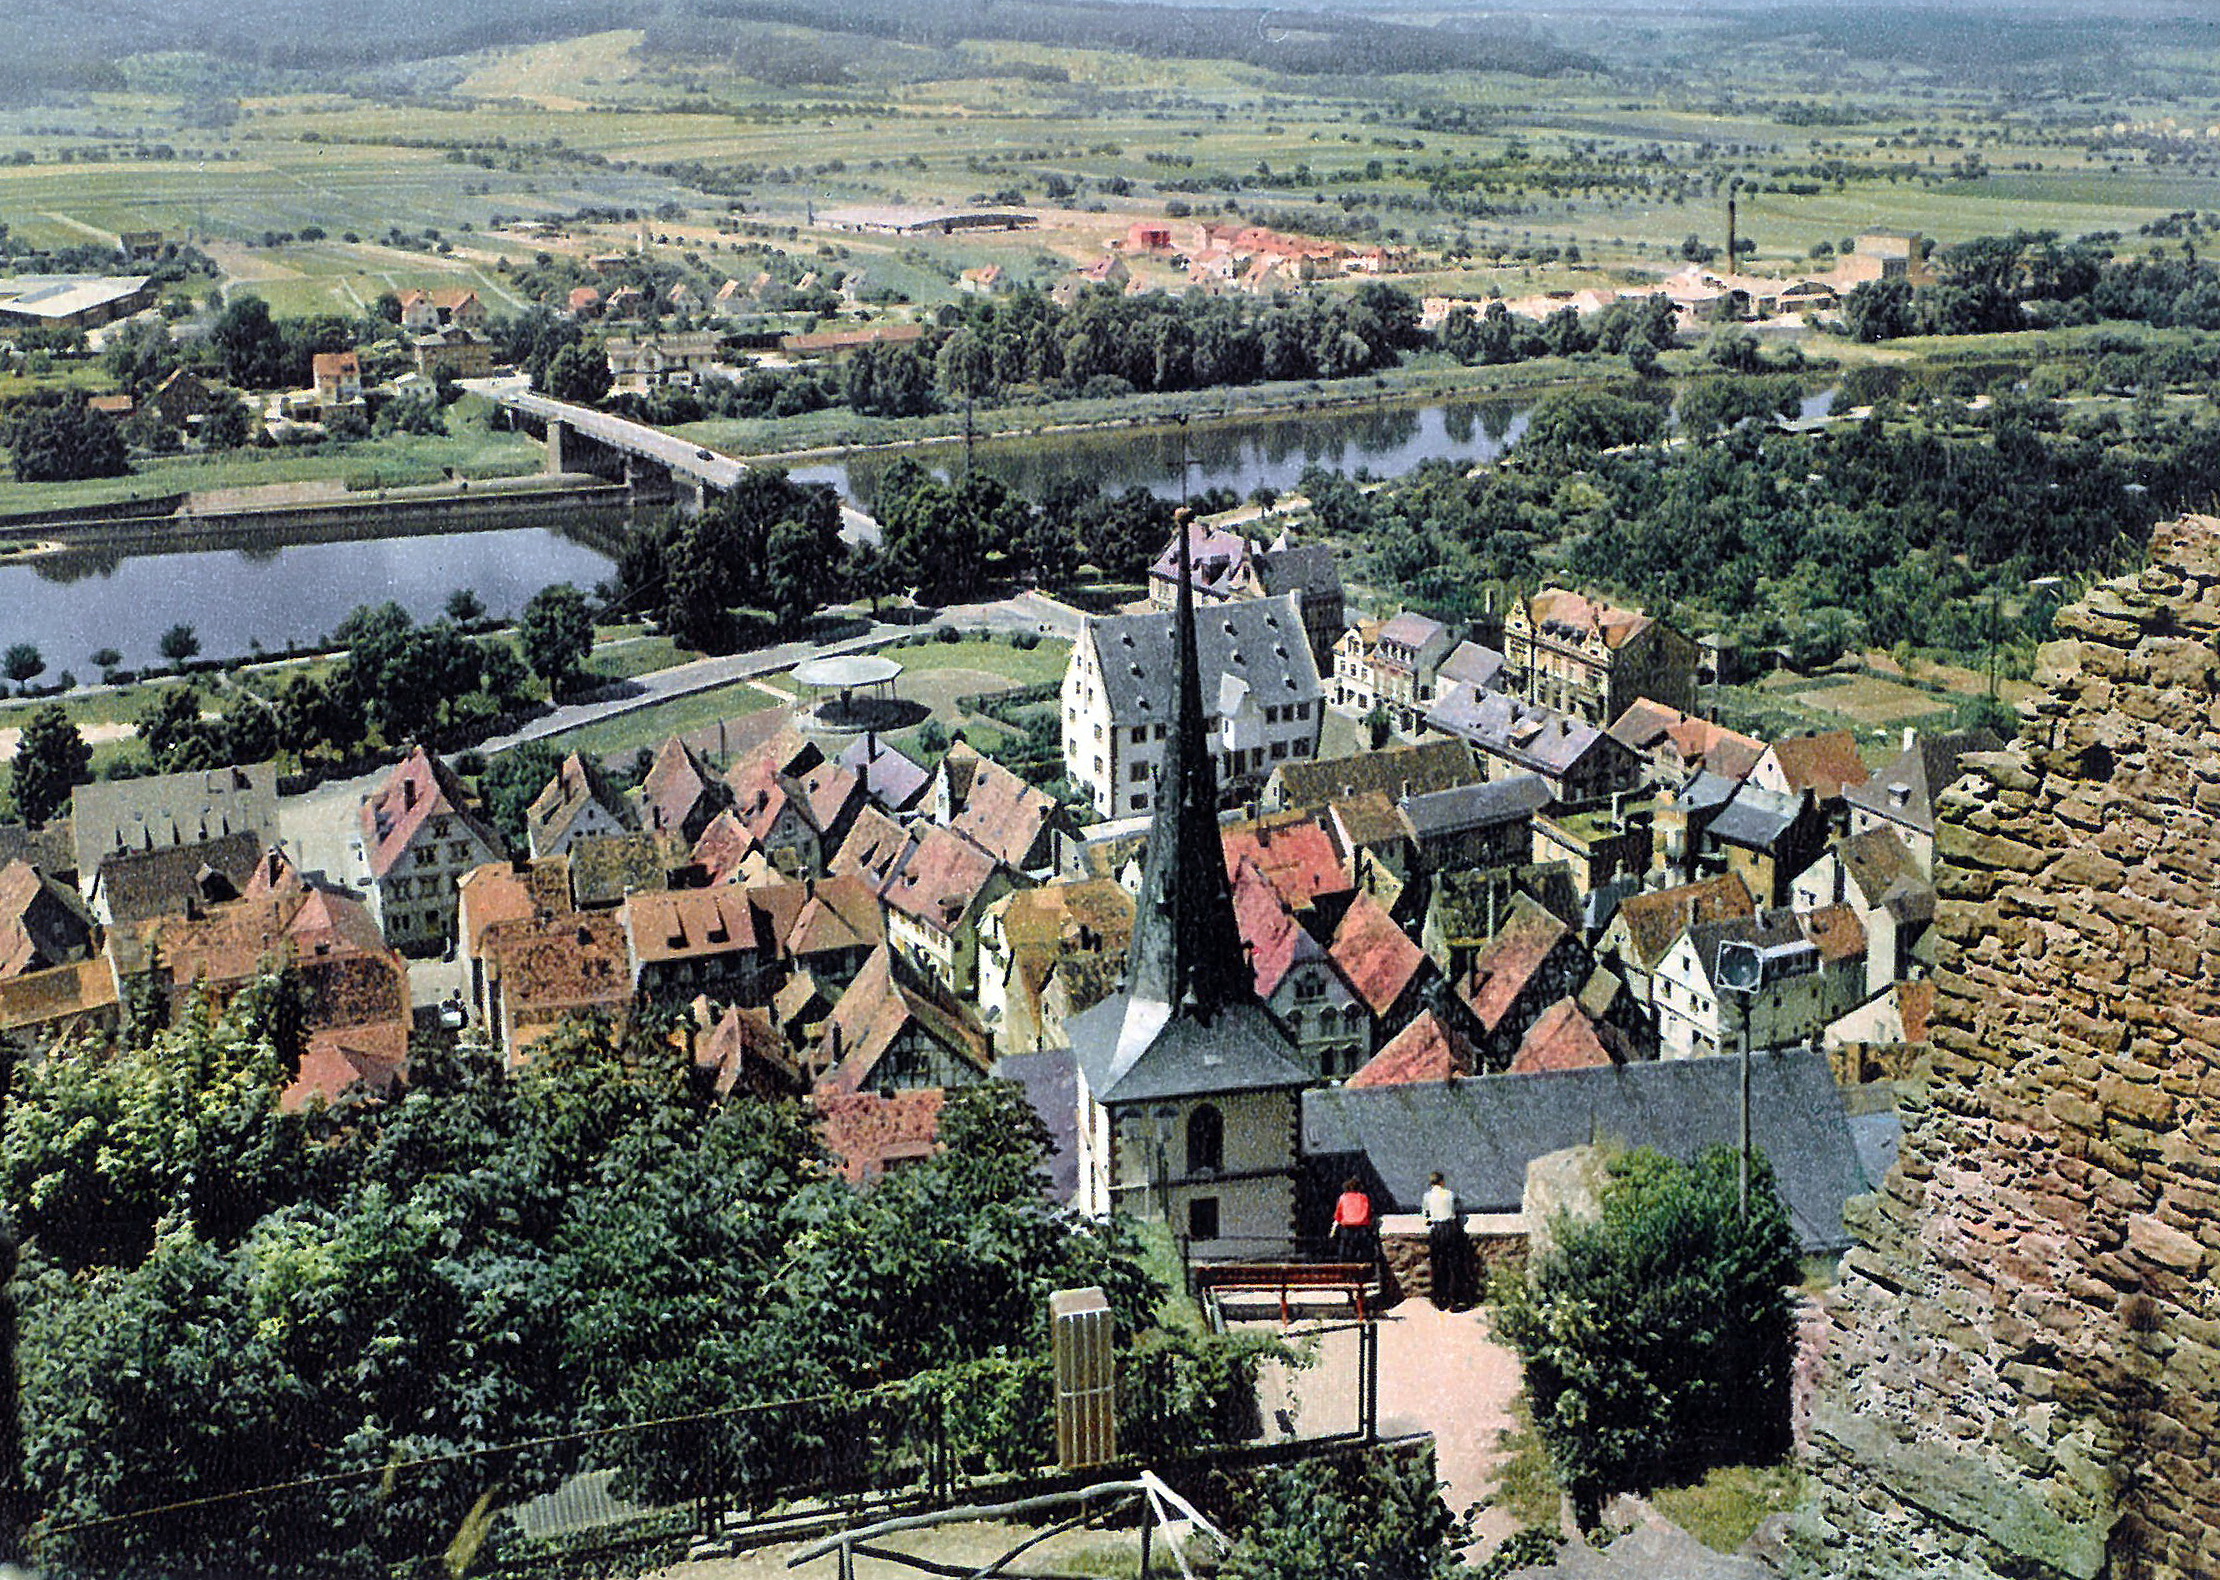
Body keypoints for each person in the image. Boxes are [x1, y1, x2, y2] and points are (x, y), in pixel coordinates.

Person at [1423, 1170, 1465, 1309]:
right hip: (1451, 1228)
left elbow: (1426, 1216)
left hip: (1437, 1229)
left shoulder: (1427, 1196)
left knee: (1438, 1265)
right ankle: (1456, 1299)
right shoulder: (1450, 1194)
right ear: (1442, 1181)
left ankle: (1440, 1299)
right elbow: (1459, 1212)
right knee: (1454, 1264)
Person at [1330, 1177, 1375, 1266]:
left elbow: (1338, 1215)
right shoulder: (1364, 1197)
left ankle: (1343, 1267)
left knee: (1345, 1250)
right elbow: (1368, 1213)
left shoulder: (1343, 1197)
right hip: (1361, 1227)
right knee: (1363, 1250)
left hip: (1347, 1227)